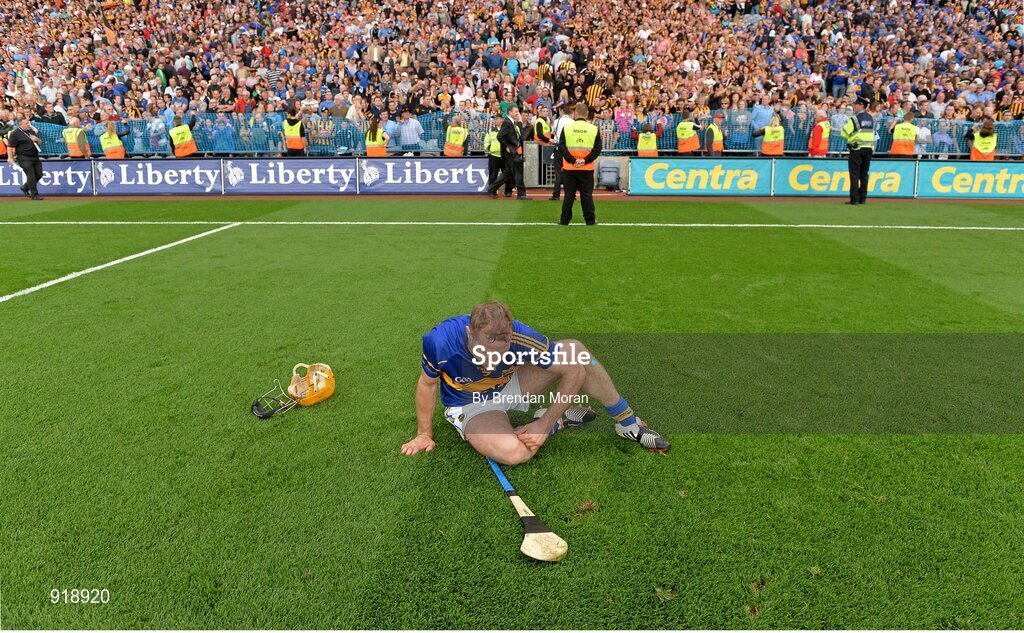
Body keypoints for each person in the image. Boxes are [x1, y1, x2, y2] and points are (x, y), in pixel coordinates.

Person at [399, 301, 669, 464]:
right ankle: (560, 422)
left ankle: (628, 424)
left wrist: (543, 424)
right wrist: (424, 433)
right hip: (471, 405)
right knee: (515, 454)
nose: (491, 361)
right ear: (470, 332)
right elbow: (427, 384)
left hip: (511, 385)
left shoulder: (519, 336)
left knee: (576, 350)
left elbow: (575, 370)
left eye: (500, 351)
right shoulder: (440, 341)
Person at [557, 102, 602, 226]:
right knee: (586, 196)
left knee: (569, 195)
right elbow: (597, 149)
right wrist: (584, 160)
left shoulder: (567, 128)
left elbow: (561, 147)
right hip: (586, 168)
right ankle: (590, 220)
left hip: (569, 168)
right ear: (587, 114)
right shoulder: (594, 129)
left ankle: (565, 220)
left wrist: (573, 160)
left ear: (575, 114)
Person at [840, 97, 876, 205]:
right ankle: (863, 198)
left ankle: (854, 199)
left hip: (856, 148)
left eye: (856, 104)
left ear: (861, 105)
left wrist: (850, 135)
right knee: (864, 174)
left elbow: (844, 133)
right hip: (868, 148)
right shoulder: (870, 118)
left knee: (854, 174)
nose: (854, 106)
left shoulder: (854, 119)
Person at [488, 106, 528, 200]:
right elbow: (499, 136)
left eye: (517, 111)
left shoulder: (511, 122)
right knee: (518, 172)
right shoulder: (507, 122)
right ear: (510, 112)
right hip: (511, 153)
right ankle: (521, 194)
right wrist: (507, 147)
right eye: (515, 111)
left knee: (507, 173)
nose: (517, 113)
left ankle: (492, 188)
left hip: (514, 152)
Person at [6, 116, 45, 200]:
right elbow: (10, 146)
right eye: (26, 123)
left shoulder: (31, 131)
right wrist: (10, 158)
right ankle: (34, 194)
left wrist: (37, 139)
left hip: (35, 157)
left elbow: (40, 142)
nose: (29, 125)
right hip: (24, 158)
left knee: (39, 174)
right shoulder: (15, 133)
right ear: (20, 125)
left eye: (29, 123)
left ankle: (25, 187)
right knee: (31, 175)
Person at [549, 104, 573, 201]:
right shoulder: (573, 122)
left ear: (562, 111)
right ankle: (571, 195)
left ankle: (556, 195)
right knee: (570, 172)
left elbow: (553, 133)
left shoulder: (557, 121)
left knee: (558, 173)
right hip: (569, 149)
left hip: (559, 148)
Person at [483, 113, 507, 195]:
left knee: (507, 174)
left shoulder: (506, 129)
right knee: (493, 175)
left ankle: (507, 191)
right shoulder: (491, 130)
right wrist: (489, 148)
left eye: (496, 119)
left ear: (501, 119)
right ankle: (492, 191)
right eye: (494, 119)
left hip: (504, 155)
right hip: (494, 155)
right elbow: (486, 141)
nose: (495, 120)